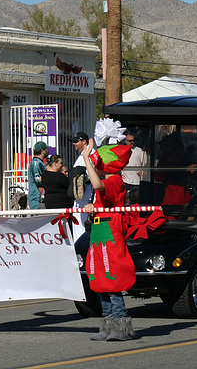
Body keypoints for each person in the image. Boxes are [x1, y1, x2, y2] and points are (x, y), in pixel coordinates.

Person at [81, 125, 136, 341]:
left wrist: (87, 160)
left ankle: (121, 326)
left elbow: (97, 184)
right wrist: (90, 206)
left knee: (112, 282)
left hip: (111, 234)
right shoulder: (104, 182)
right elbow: (98, 195)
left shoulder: (114, 180)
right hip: (98, 232)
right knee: (100, 280)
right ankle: (107, 323)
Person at [69, 132, 94, 235]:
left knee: (82, 226)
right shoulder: (83, 154)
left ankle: (82, 249)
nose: (74, 144)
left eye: (76, 142)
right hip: (81, 197)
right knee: (78, 225)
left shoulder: (90, 153)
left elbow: (90, 175)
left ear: (84, 142)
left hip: (86, 197)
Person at [121, 132, 148, 205]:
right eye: (130, 141)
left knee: (136, 199)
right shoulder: (122, 150)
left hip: (136, 180)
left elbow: (144, 162)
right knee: (125, 199)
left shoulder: (139, 150)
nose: (132, 142)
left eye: (133, 141)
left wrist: (142, 171)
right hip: (125, 179)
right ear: (126, 141)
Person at [27, 141, 49, 209]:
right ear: (43, 151)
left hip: (37, 198)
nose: (48, 151)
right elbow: (38, 181)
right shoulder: (36, 163)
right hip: (36, 199)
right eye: (46, 149)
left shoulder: (38, 162)